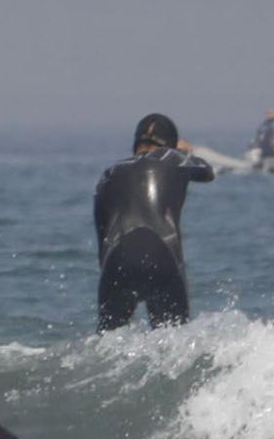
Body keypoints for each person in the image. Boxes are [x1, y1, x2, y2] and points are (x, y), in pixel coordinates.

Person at [92, 113, 215, 331]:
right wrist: (184, 152)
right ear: (170, 143)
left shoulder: (109, 174)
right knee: (175, 345)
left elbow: (102, 245)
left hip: (116, 263)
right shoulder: (172, 158)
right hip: (160, 255)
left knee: (104, 344)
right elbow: (206, 172)